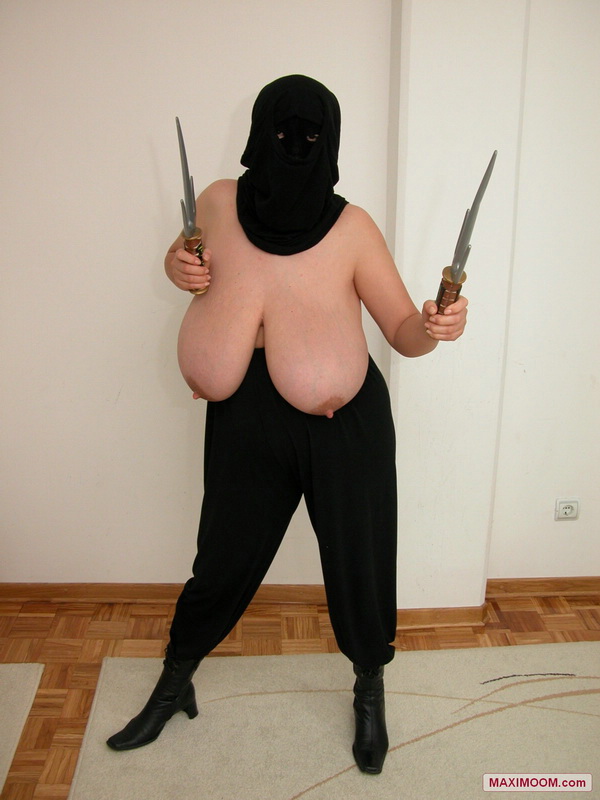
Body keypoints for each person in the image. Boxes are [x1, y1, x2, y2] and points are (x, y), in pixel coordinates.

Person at [106, 75, 468, 774]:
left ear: (330, 146)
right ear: (256, 137)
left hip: (344, 424)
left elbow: (401, 329)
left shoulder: (353, 228)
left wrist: (434, 327)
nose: (295, 148)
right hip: (246, 415)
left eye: (310, 137)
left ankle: (369, 688)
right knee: (222, 556)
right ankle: (176, 681)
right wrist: (176, 266)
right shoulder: (217, 201)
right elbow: (186, 259)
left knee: (359, 561)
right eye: (281, 134)